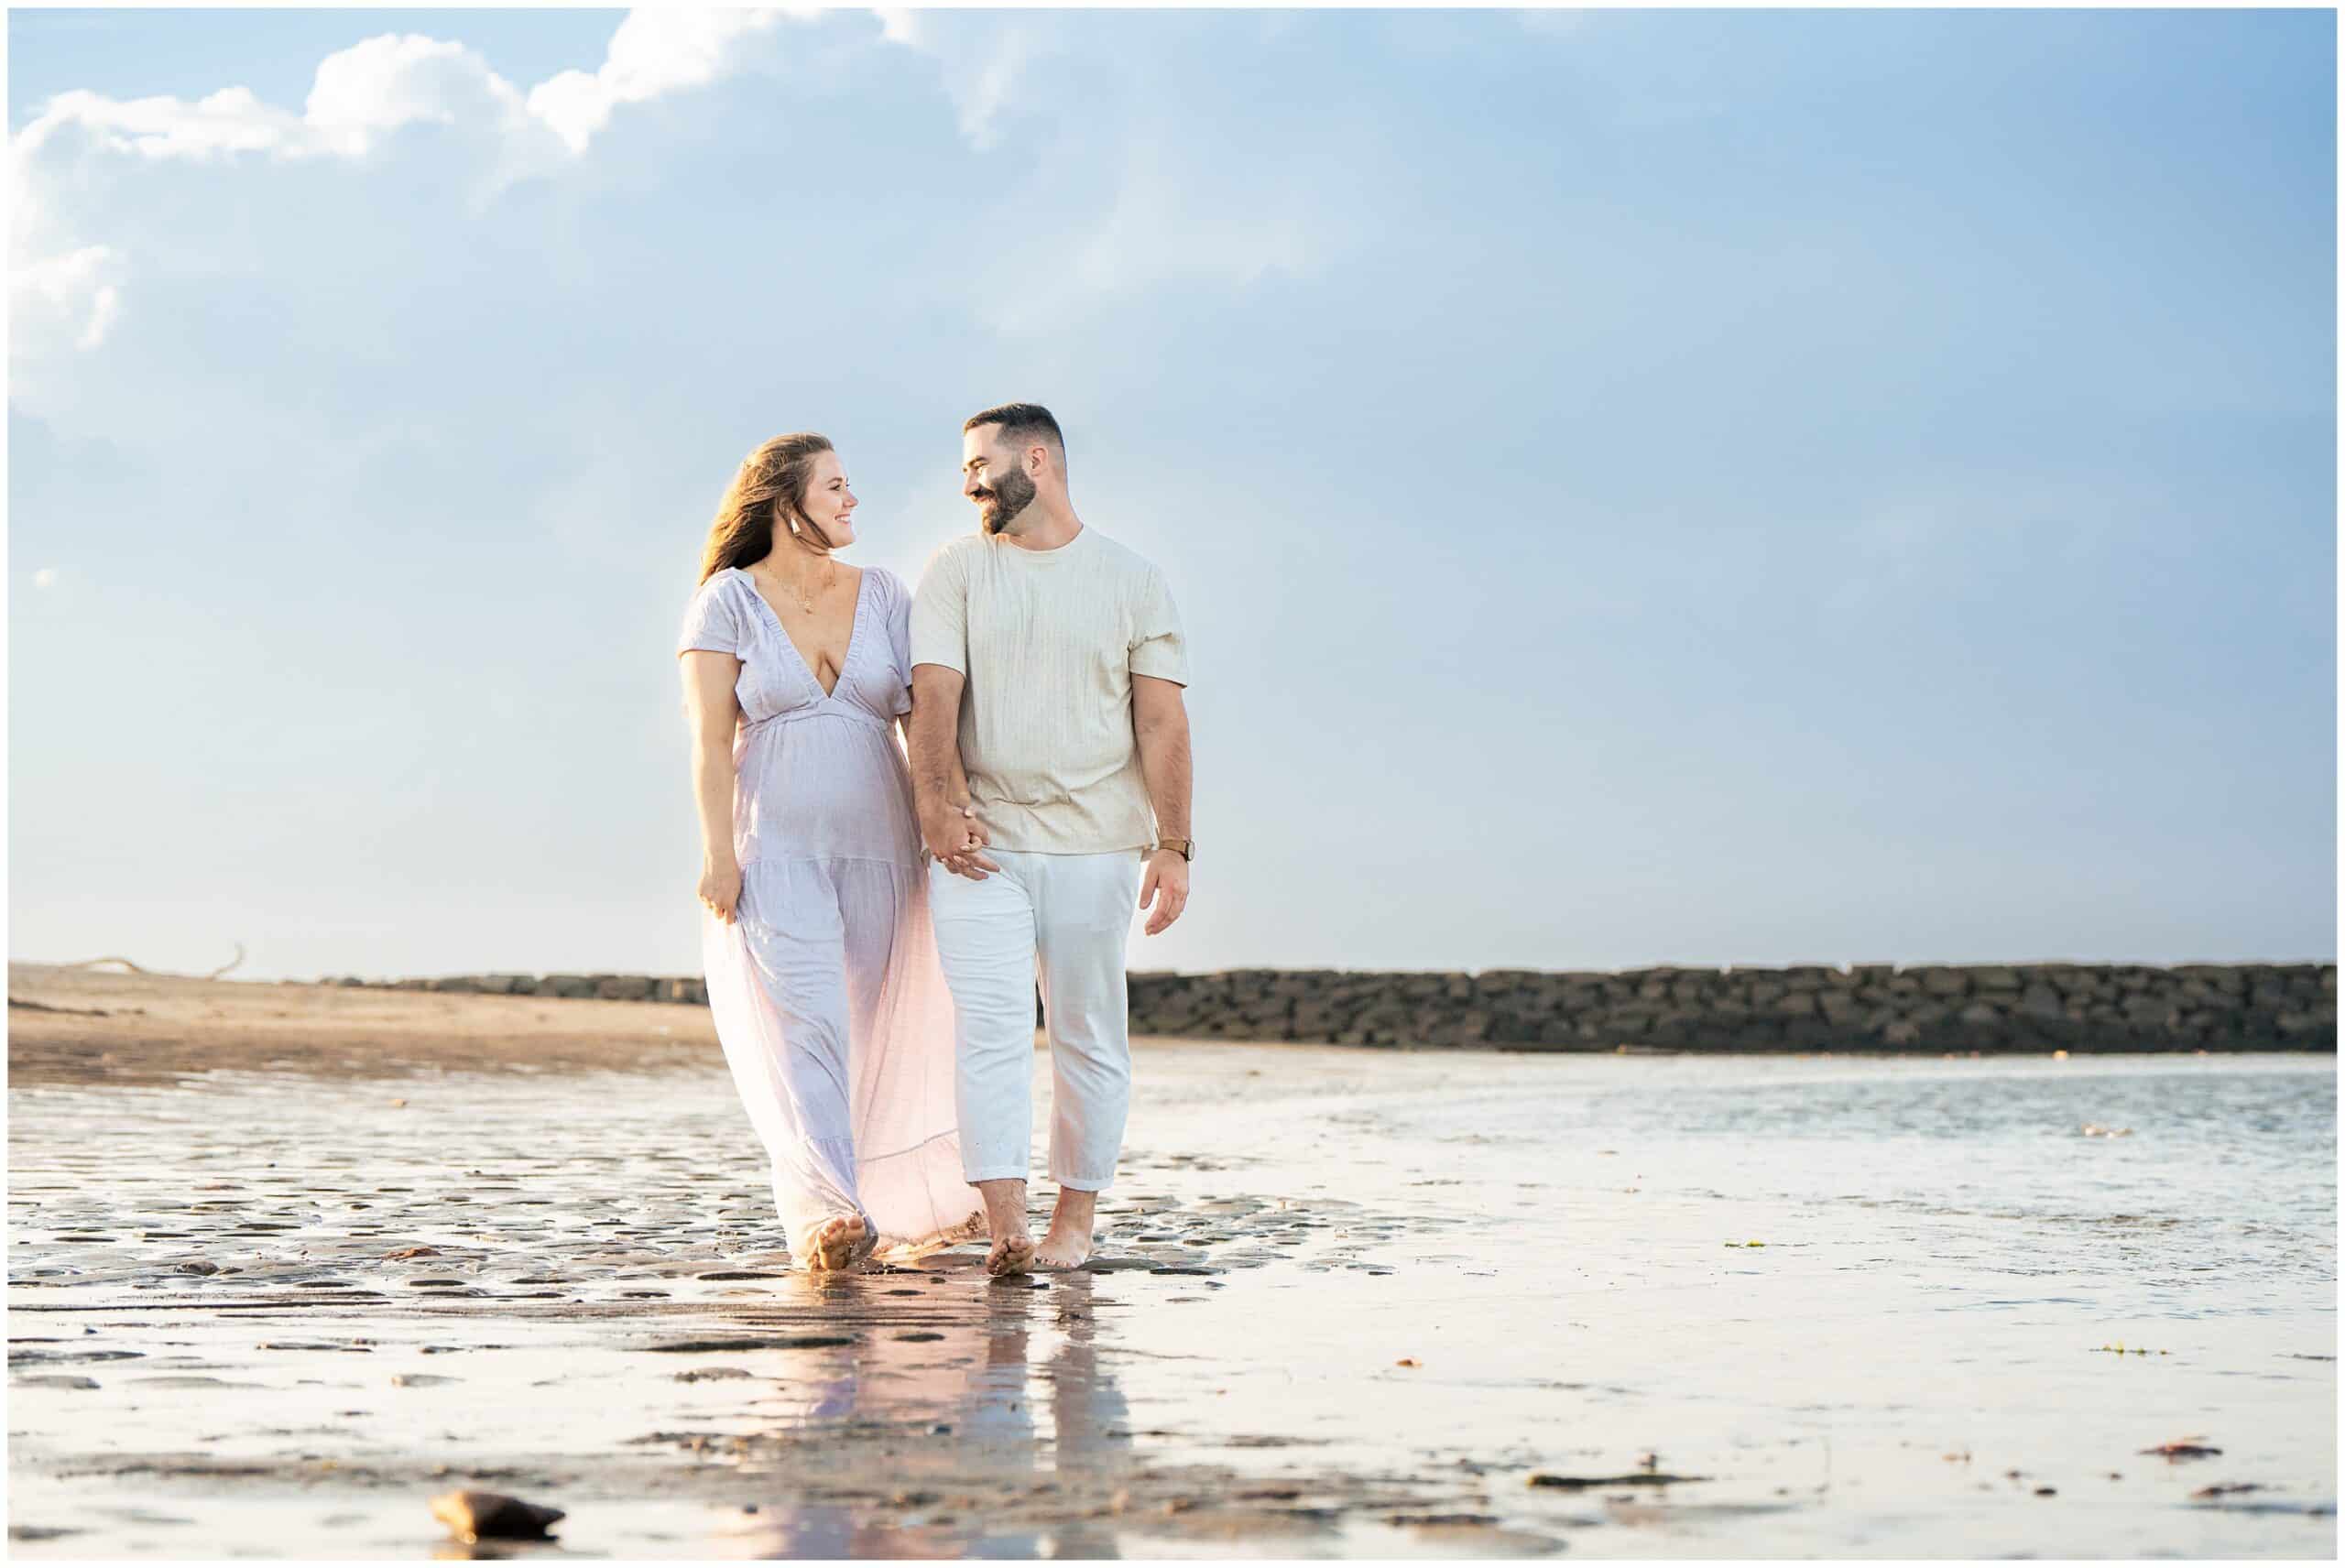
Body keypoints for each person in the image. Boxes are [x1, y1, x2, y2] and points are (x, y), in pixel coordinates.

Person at [676, 432, 986, 1272]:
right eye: (837, 487)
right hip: (772, 846)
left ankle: (894, 1202)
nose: (853, 502)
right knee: (806, 1027)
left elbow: (929, 716)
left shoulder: (884, 593)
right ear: (785, 500)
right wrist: (716, 853)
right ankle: (829, 1213)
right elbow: (708, 743)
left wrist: (948, 810)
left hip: (883, 843)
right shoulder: (725, 602)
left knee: (879, 1023)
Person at [908, 403, 1195, 1276]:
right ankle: (1004, 1226)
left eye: (979, 464)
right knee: (991, 1030)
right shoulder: (955, 570)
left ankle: (1075, 1223)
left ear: (1038, 459)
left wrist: (1174, 846)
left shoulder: (1132, 580)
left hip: (1099, 846)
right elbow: (933, 699)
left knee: (1087, 1032)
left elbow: (1162, 721)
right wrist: (936, 808)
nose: (967, 483)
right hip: (979, 845)